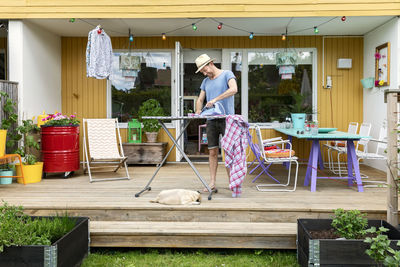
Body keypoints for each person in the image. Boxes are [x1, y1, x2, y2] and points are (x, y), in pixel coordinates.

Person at [194, 54, 238, 192]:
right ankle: (212, 183)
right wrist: (197, 111)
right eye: (202, 72)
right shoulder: (206, 81)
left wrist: (215, 99)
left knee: (228, 152)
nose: (204, 73)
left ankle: (232, 183)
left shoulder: (227, 74)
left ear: (211, 63)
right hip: (211, 121)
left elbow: (234, 89)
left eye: (204, 70)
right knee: (212, 151)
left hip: (227, 120)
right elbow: (200, 99)